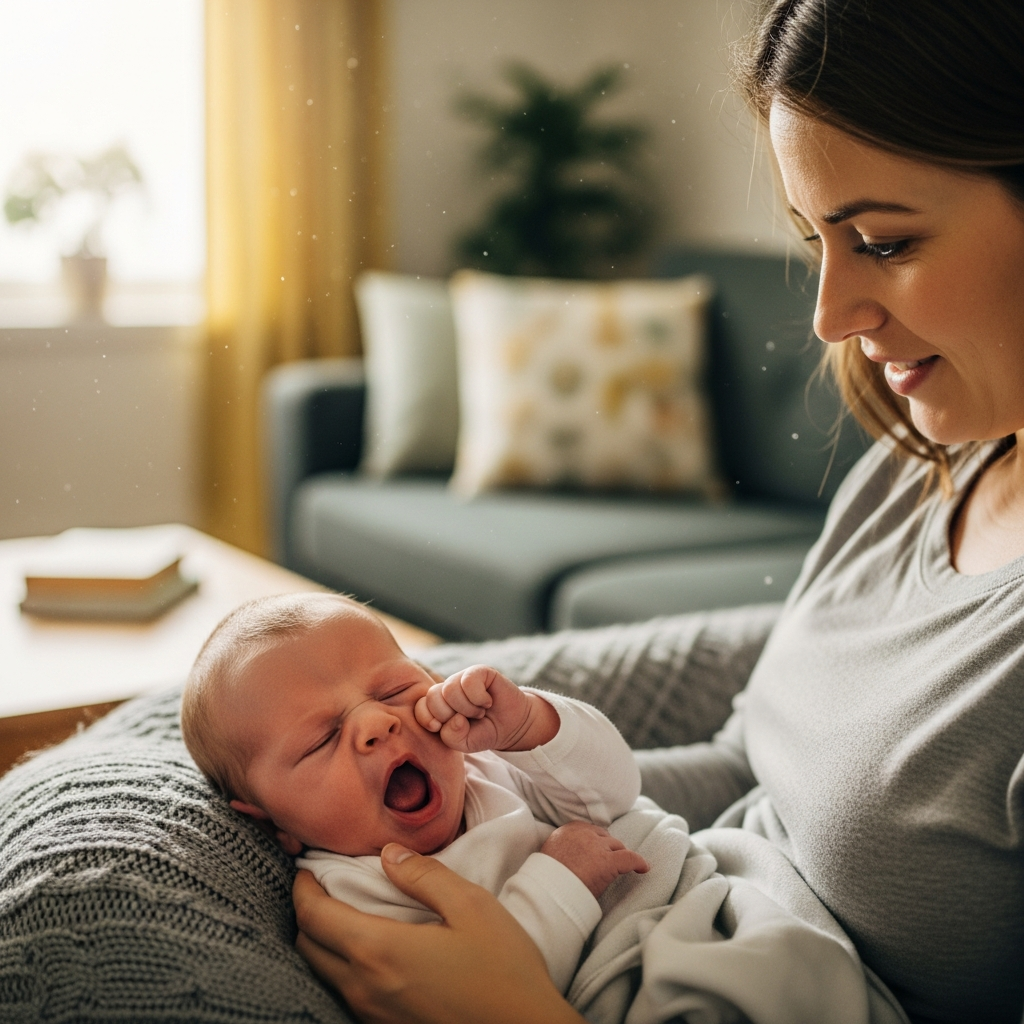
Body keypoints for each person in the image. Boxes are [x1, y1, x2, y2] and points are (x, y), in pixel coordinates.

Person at [291, 1, 1024, 1022]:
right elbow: (743, 765)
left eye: (883, 241)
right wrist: (489, 800)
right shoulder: (924, 468)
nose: (828, 315)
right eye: (815, 240)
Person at [182, 594, 870, 1022]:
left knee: (788, 954)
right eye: (324, 738)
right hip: (628, 983)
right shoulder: (354, 892)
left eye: (395, 689)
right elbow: (473, 980)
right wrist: (560, 880)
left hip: (698, 899)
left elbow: (613, 792)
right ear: (267, 819)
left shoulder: (482, 762)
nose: (377, 724)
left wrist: (531, 727)